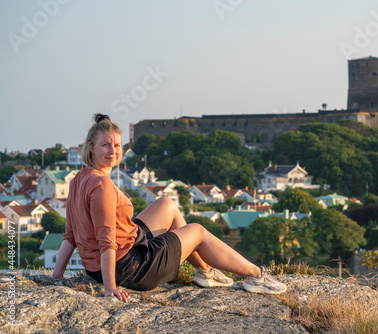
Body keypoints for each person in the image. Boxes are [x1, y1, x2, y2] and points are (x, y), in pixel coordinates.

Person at [52, 114, 286, 302]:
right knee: (197, 231)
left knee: (167, 204)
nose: (113, 151)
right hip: (129, 267)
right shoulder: (101, 184)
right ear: (91, 147)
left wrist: (56, 277)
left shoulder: (78, 178)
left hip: (111, 260)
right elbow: (106, 239)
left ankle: (205, 271)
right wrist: (110, 287)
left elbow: (70, 235)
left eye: (117, 145)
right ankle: (257, 276)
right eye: (106, 145)